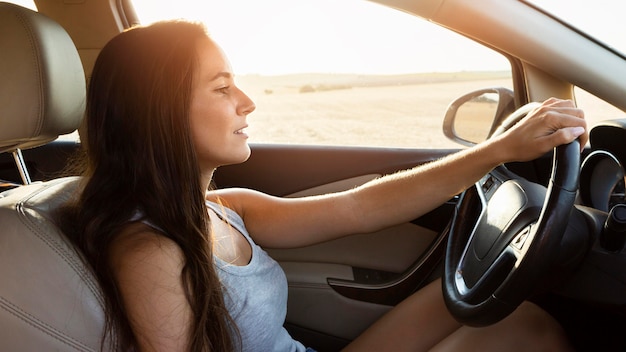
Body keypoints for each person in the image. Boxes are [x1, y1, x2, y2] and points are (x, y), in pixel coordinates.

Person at [57, 20, 587, 352]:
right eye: (222, 88)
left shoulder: (223, 207)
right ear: (160, 113)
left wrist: (494, 152)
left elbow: (359, 209)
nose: (247, 101)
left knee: (510, 315)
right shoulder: (149, 253)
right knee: (523, 335)